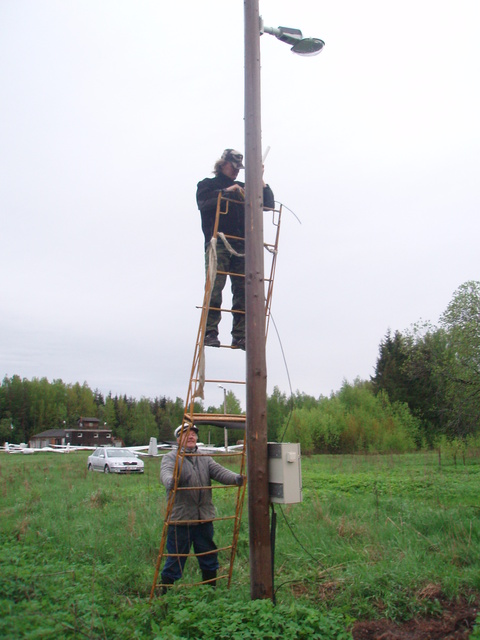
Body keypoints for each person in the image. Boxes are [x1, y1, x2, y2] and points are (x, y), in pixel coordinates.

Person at [196, 148, 275, 350]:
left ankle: (240, 335)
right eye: (234, 167)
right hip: (219, 242)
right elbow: (204, 204)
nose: (237, 171)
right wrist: (226, 192)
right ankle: (210, 331)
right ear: (222, 164)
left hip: (241, 245)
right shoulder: (207, 185)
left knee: (243, 291)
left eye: (240, 168)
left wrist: (260, 179)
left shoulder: (244, 187)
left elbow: (267, 205)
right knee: (215, 286)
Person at [160, 424, 245, 590]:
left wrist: (236, 478)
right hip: (181, 520)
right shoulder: (171, 458)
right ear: (178, 439)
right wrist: (170, 481)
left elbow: (219, 471)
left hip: (203, 519)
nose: (191, 437)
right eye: (186, 434)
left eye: (193, 434)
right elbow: (166, 472)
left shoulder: (204, 457)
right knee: (175, 559)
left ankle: (210, 591)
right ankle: (164, 594)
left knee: (208, 556)